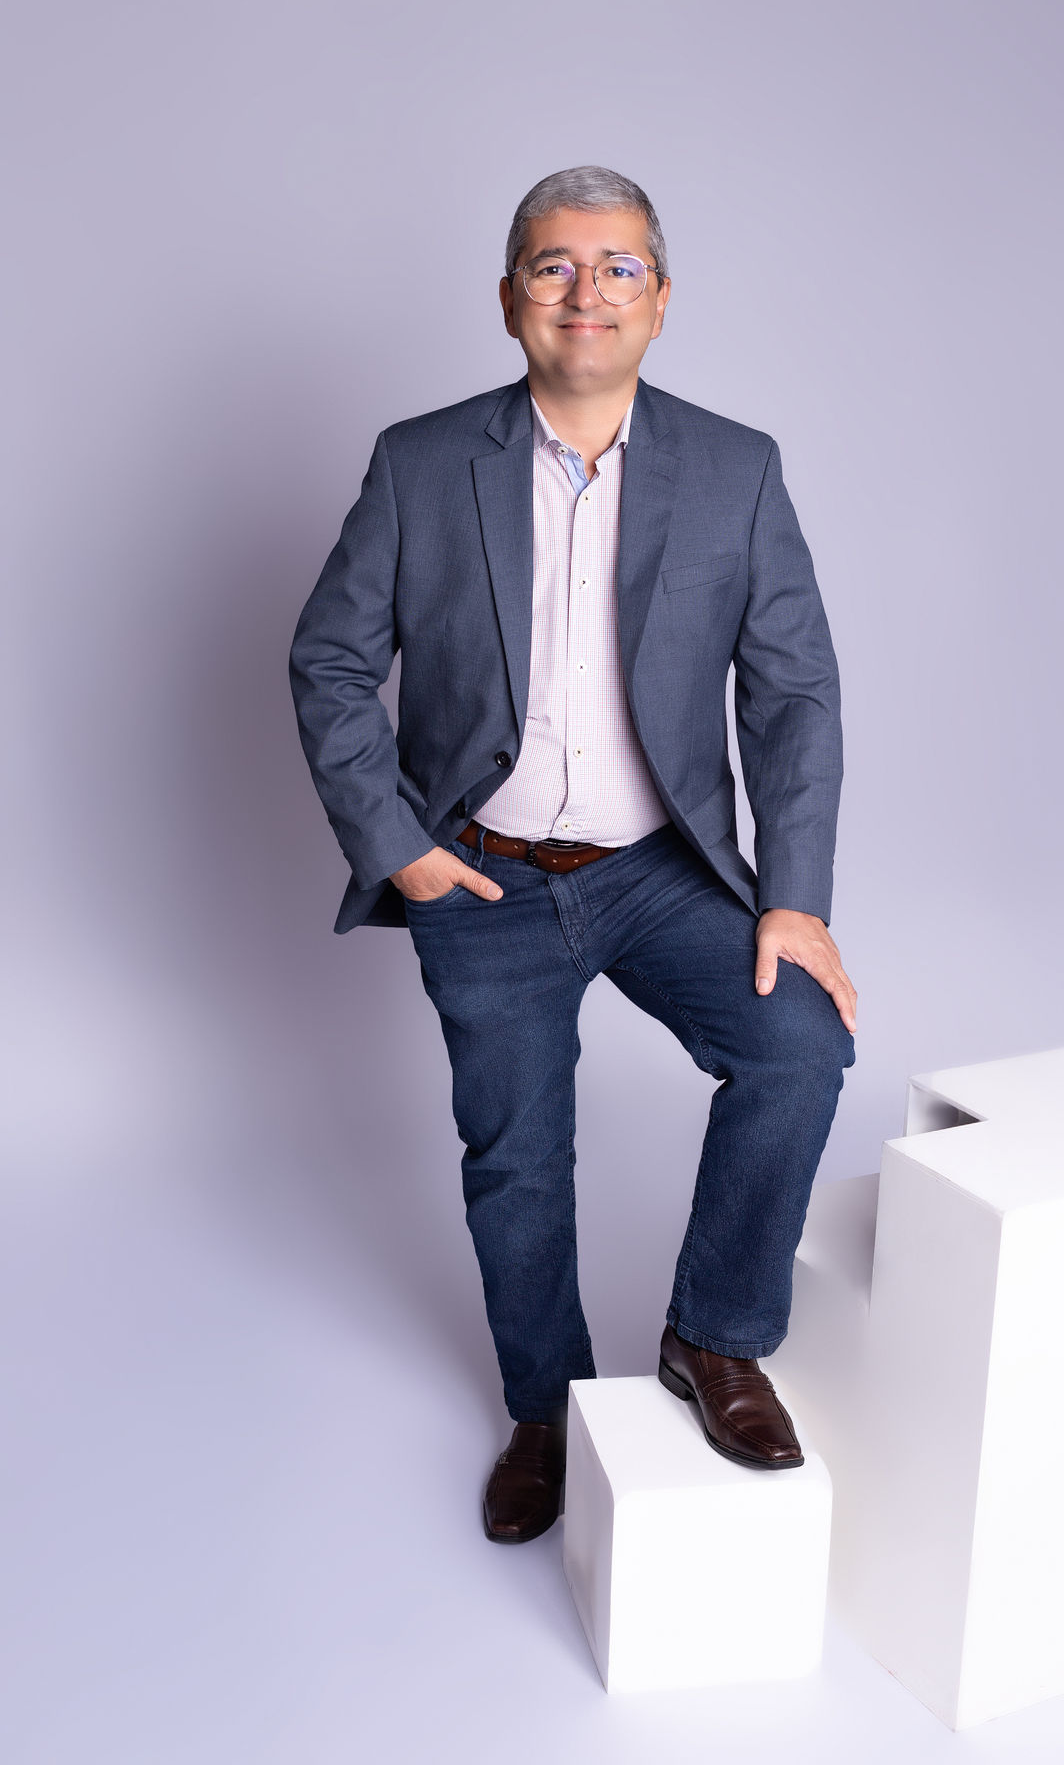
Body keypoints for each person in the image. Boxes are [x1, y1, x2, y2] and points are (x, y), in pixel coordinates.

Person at [290, 166, 857, 1544]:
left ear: (660, 301)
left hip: (660, 871)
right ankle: (545, 1410)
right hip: (481, 875)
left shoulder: (736, 467)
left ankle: (712, 1337)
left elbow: (792, 695)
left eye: (618, 268)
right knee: (518, 1159)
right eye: (554, 266)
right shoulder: (421, 463)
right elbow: (329, 661)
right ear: (509, 301)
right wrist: (400, 850)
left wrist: (794, 900)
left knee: (798, 1047)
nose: (585, 291)